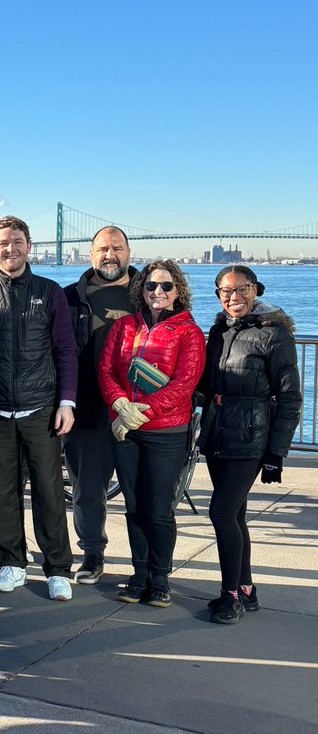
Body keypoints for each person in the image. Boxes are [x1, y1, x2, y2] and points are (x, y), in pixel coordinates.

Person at [0, 216, 78, 601]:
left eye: (18, 241)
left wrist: (67, 401)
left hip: (41, 408)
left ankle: (58, 569)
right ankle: (11, 564)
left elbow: (65, 351)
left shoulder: (50, 292)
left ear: (29, 246)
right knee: (2, 493)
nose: (11, 249)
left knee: (49, 491)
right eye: (3, 243)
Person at [99, 260, 205, 608]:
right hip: (125, 429)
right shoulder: (125, 326)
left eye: (166, 286)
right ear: (140, 290)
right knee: (133, 507)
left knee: (158, 508)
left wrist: (136, 415)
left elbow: (184, 385)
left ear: (178, 292)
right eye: (150, 286)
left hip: (166, 432)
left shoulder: (188, 331)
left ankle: (160, 579)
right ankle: (139, 573)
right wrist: (119, 403)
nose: (157, 292)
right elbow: (106, 370)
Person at [199, 266, 301, 624]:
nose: (233, 297)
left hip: (250, 436)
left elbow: (290, 398)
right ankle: (246, 588)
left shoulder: (275, 334)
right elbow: (207, 386)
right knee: (236, 513)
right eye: (224, 292)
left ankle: (230, 597)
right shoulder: (217, 331)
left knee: (221, 512)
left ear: (255, 289)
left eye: (241, 289)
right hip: (217, 433)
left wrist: (276, 453)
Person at [62, 227, 137, 586]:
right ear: (91, 255)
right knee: (87, 492)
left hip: (140, 414)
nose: (110, 254)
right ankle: (92, 553)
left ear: (129, 252)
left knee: (143, 493)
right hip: (87, 412)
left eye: (117, 248)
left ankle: (148, 563)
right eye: (103, 249)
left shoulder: (152, 294)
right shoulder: (67, 298)